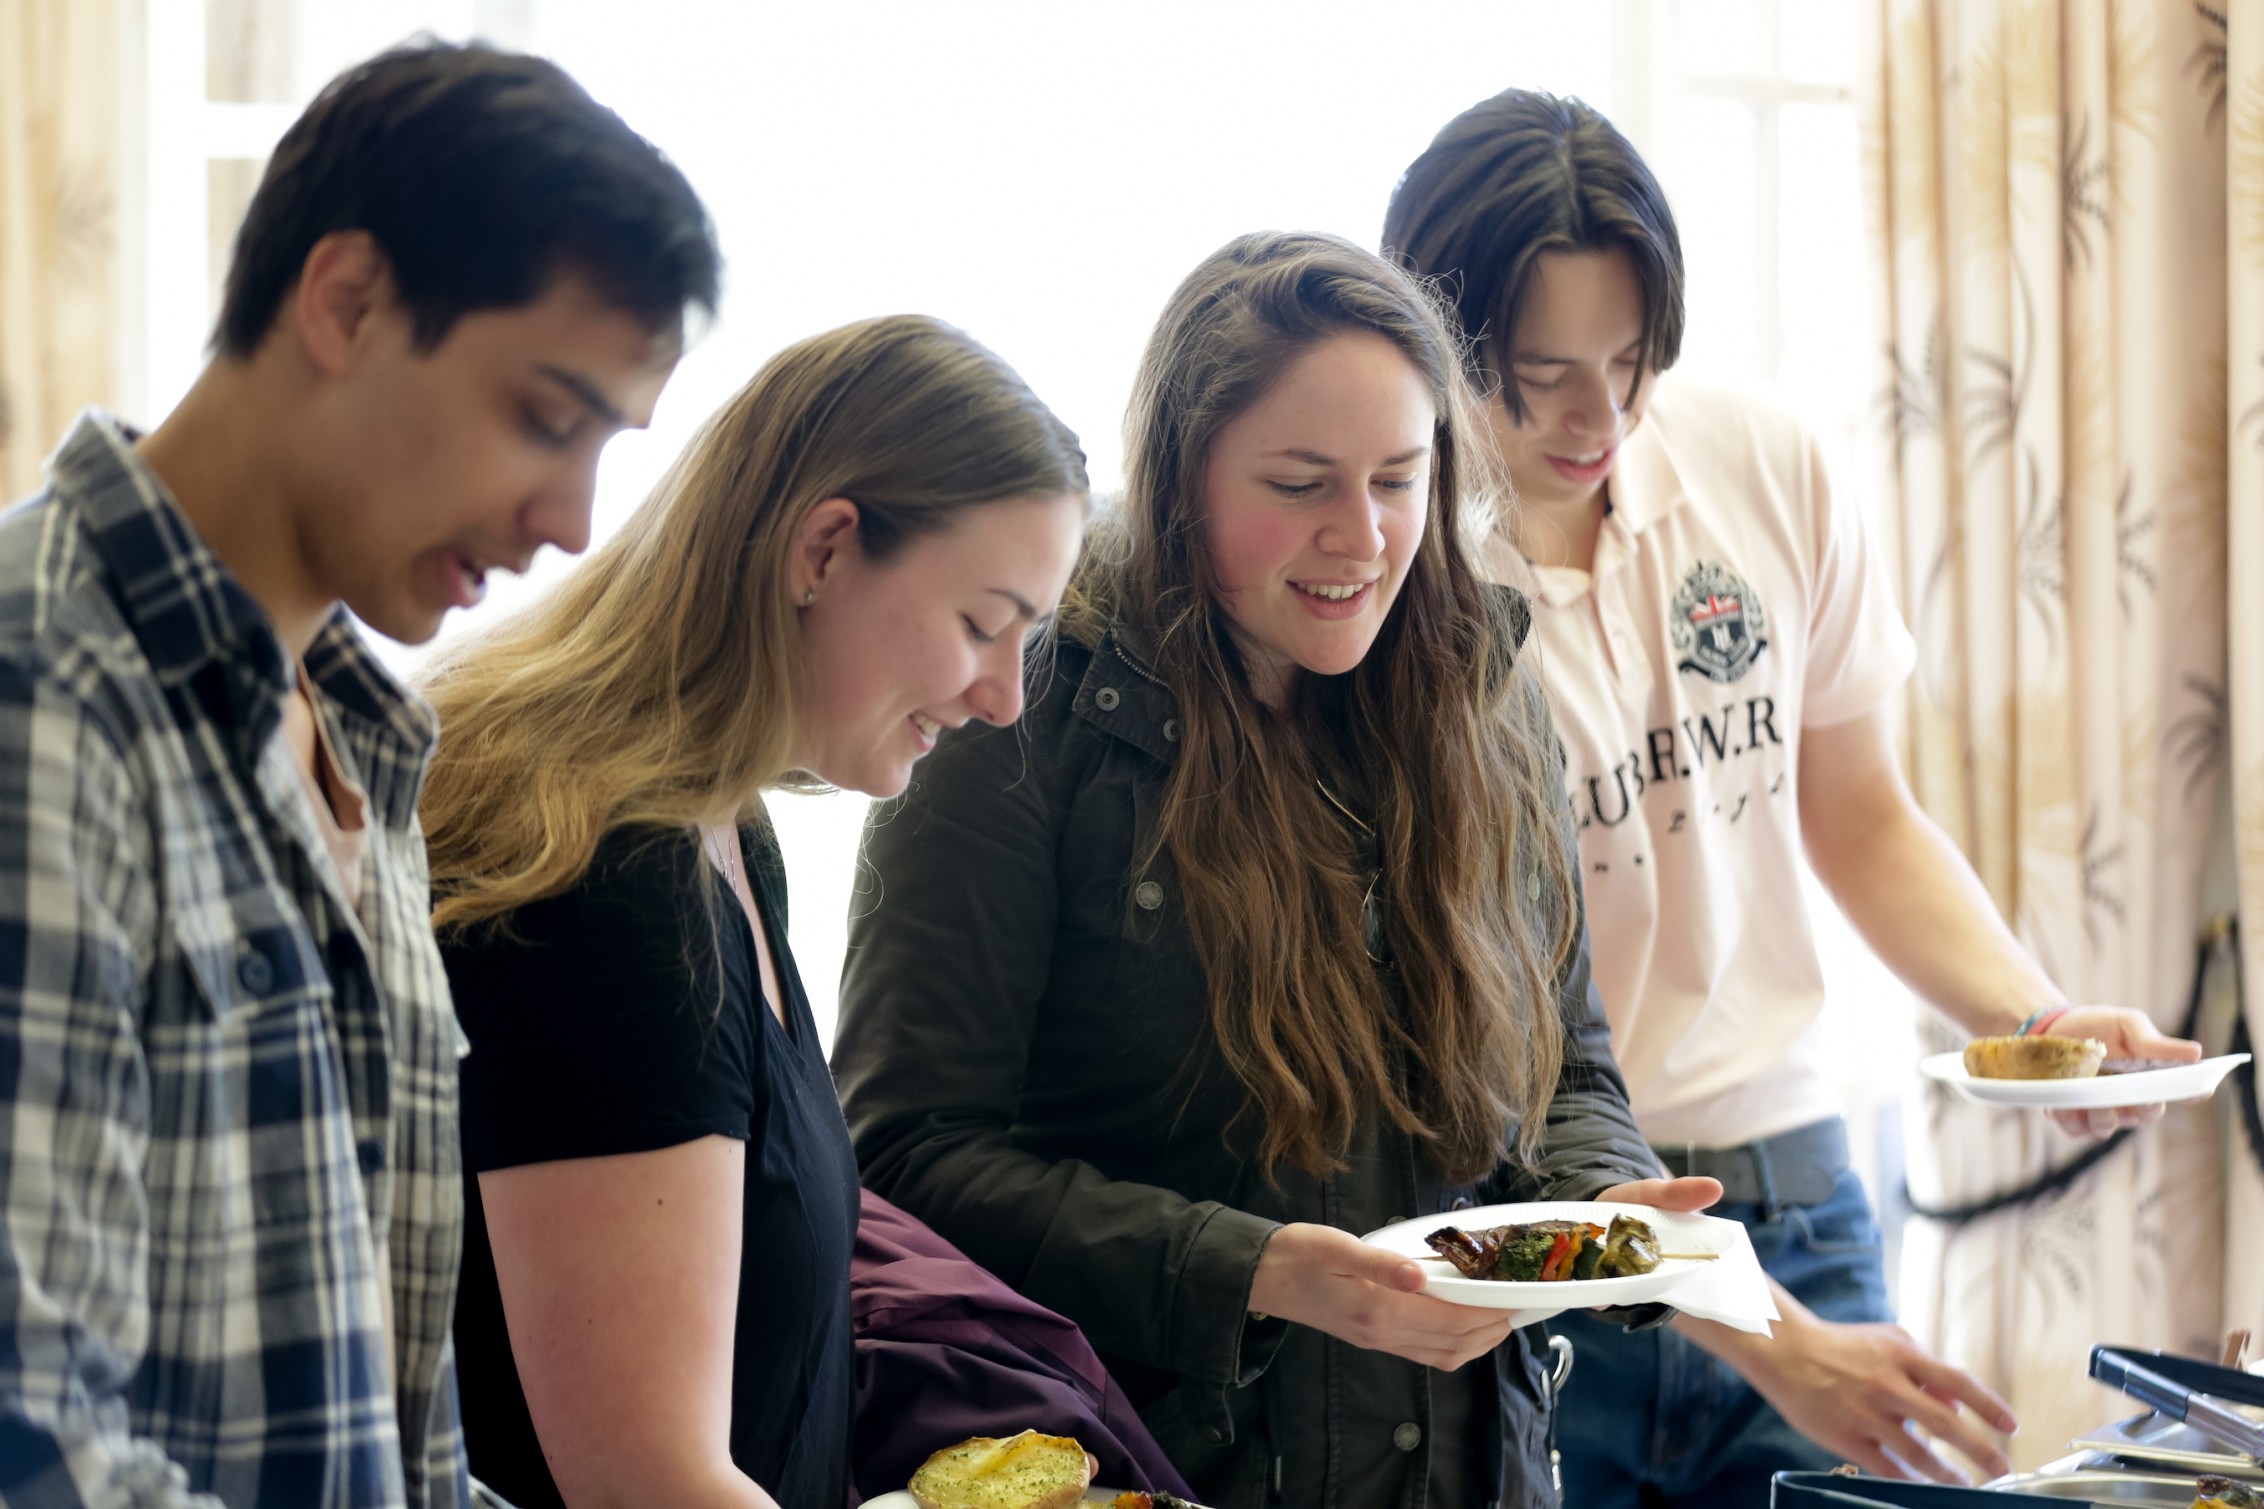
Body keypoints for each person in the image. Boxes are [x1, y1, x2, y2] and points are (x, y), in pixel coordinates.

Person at [1381, 88, 2206, 1506]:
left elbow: (1862, 815)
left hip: (1796, 1186)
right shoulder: (1398, 586)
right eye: (1542, 371)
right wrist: (1762, 1330)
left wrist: (2038, 1023)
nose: (1601, 418)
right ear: (1438, 342)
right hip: (1550, 1234)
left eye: (1632, 360)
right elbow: (1473, 1043)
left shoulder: (1762, 466)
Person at [832, 231, 1720, 1509]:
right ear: (1182, 480)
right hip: (1154, 1466)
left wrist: (1600, 1204)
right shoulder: (1025, 710)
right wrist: (1247, 1269)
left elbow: (1566, 1063)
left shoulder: (1486, 694)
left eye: (1398, 480)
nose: (1359, 536)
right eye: (1299, 483)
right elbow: (904, 1159)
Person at [0, 40, 715, 1509]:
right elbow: (31, 1440)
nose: (573, 522)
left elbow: (392, 1449)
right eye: (545, 417)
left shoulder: (366, 742)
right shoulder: (42, 701)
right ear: (347, 300)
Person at [418, 314, 1088, 1509]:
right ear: (822, 550)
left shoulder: (727, 834)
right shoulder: (611, 894)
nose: (1003, 698)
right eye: (983, 624)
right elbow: (645, 1480)